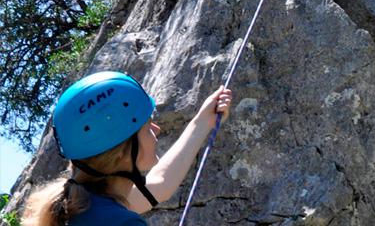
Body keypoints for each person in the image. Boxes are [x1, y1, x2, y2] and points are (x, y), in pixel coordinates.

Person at [22, 71, 233, 225]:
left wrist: (202, 123)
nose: (157, 129)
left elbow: (159, 185)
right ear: (123, 149)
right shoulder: (120, 222)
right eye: (147, 125)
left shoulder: (77, 207)